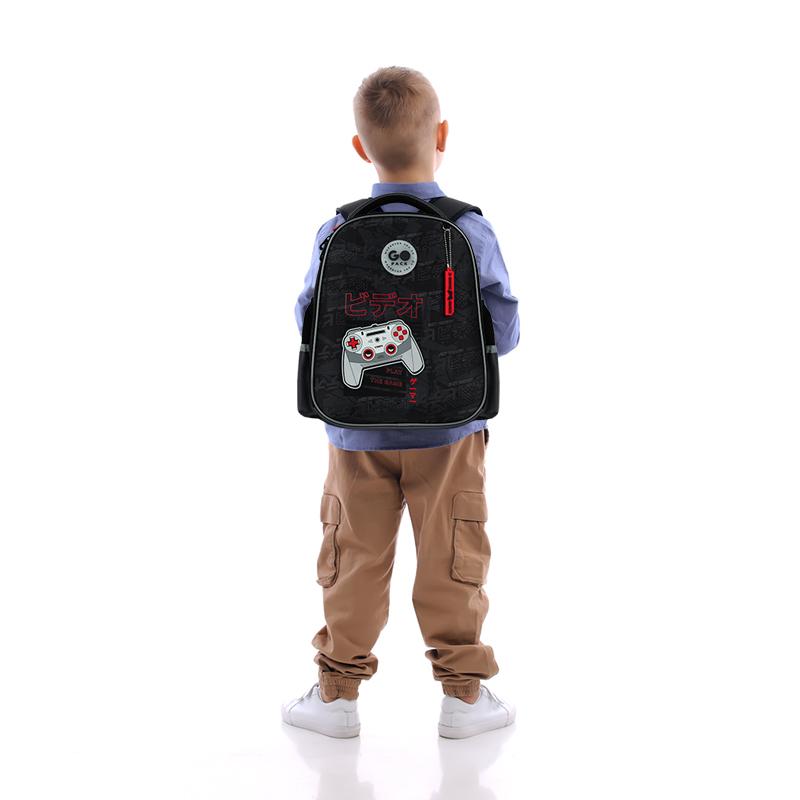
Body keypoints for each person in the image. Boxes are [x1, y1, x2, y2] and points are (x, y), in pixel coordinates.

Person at [282, 66, 521, 739]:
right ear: (441, 136)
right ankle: (464, 698)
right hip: (451, 431)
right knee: (453, 553)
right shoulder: (468, 229)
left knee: (354, 558)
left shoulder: (337, 230)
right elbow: (504, 330)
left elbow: (310, 323)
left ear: (362, 148)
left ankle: (336, 695)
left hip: (357, 435)